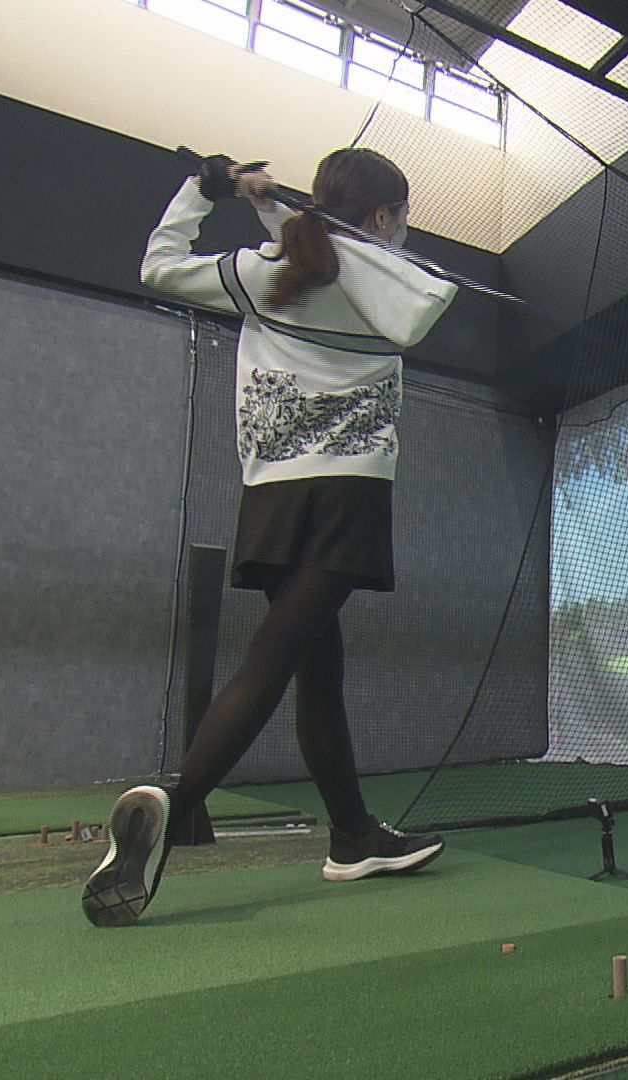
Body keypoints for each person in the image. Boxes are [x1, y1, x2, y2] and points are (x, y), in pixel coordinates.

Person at [82, 148, 457, 928]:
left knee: (318, 666)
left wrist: (206, 191)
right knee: (275, 660)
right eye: (400, 214)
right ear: (382, 215)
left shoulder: (264, 270)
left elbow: (160, 265)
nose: (403, 227)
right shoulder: (382, 278)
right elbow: (400, 291)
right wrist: (272, 208)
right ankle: (177, 800)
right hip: (346, 493)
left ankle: (353, 836)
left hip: (271, 498)